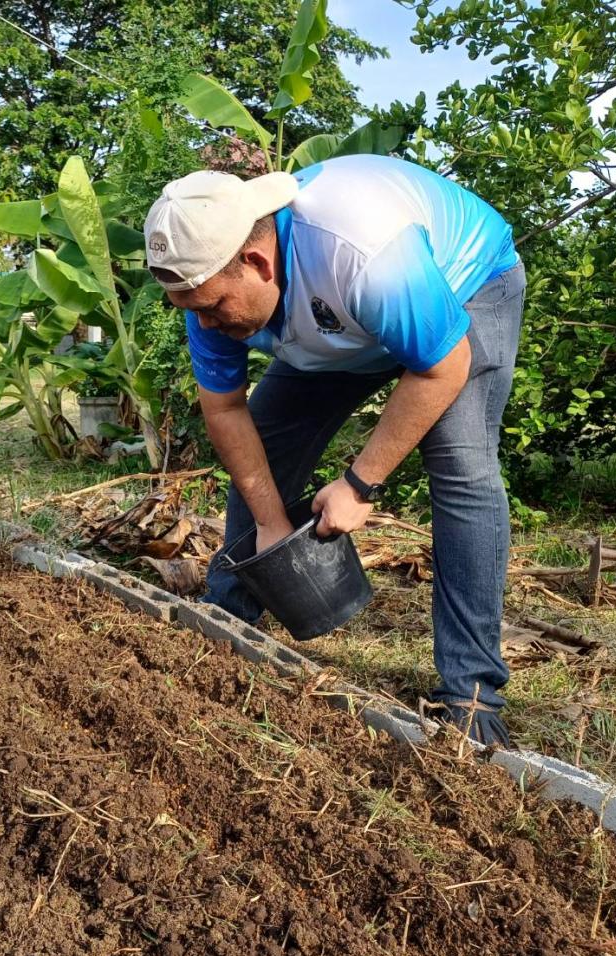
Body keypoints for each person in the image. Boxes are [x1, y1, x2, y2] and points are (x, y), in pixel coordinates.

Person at [142, 154, 525, 748]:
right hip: (337, 322)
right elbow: (224, 409)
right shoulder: (205, 284)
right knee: (265, 449)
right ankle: (228, 618)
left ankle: (472, 695)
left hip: (463, 285)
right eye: (194, 311)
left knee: (462, 469)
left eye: (215, 307)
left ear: (256, 260)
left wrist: (359, 485)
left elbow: (442, 368)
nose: (207, 324)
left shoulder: (363, 253)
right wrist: (270, 524)